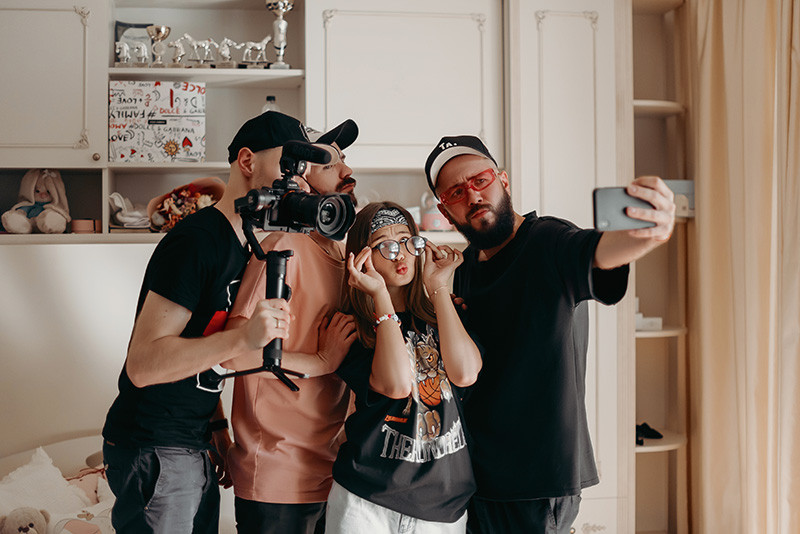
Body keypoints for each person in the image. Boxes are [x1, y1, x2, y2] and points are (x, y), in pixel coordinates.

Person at [423, 135, 677, 534]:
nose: (472, 195)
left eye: (480, 180)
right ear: (444, 210)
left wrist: (646, 232)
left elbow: (598, 251)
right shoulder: (465, 266)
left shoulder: (548, 240)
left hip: (537, 481)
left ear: (503, 180)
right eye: (456, 192)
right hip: (478, 477)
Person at [101, 110, 313, 533]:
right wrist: (244, 338)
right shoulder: (197, 241)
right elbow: (143, 365)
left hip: (192, 439)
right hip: (154, 443)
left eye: (302, 171)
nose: (298, 181)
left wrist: (217, 428)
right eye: (288, 165)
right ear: (247, 161)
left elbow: (199, 343)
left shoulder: (244, 244)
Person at [220, 119, 362, 534]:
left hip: (334, 470)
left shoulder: (343, 254)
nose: (347, 171)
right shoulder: (284, 247)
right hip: (278, 474)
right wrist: (321, 361)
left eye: (344, 161)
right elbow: (234, 354)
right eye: (330, 163)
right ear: (299, 176)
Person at [324, 202, 483, 534]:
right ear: (362, 257)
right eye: (385, 245)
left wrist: (439, 288)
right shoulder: (352, 329)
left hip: (443, 508)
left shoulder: (446, 313)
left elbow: (466, 373)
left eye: (407, 241)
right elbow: (397, 384)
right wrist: (380, 294)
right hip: (366, 501)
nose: (401, 254)